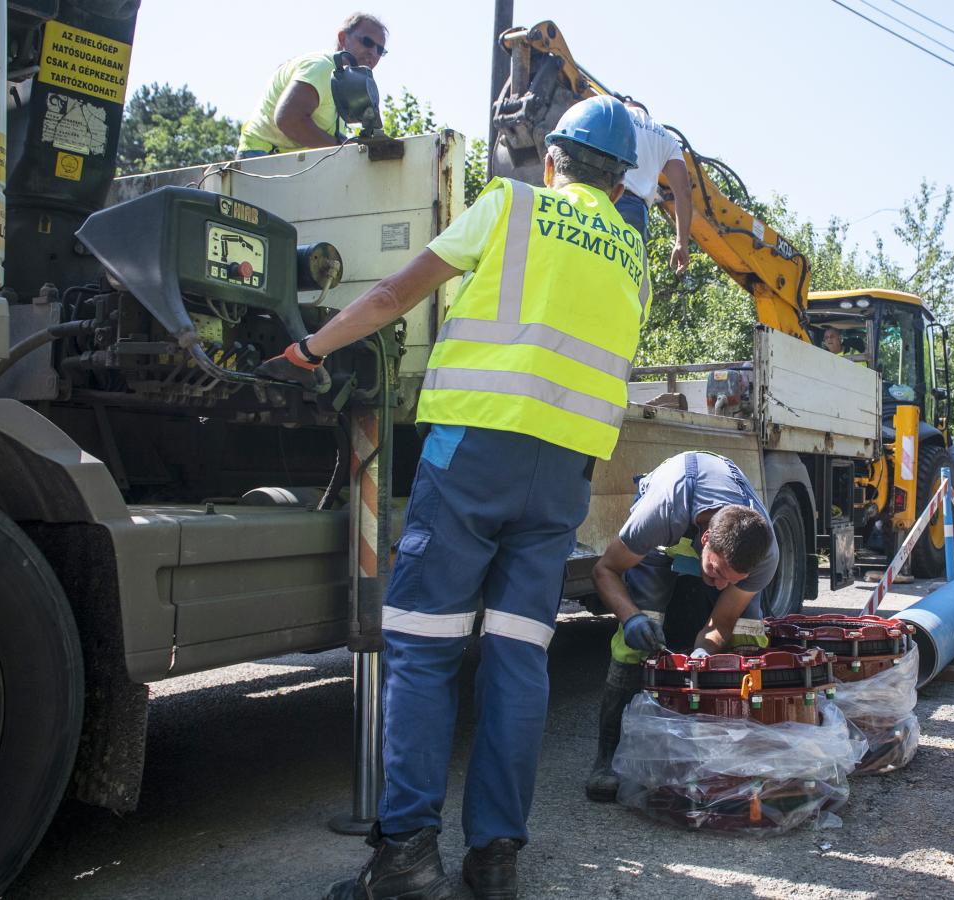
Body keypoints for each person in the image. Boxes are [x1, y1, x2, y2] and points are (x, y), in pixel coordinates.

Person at [258, 95, 646, 900]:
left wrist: (306, 348)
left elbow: (394, 296)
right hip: (561, 476)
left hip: (475, 451)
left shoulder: (512, 204)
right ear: (618, 184)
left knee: (426, 648)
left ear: (553, 161)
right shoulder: (632, 251)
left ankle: (405, 858)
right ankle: (496, 858)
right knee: (516, 657)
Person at [582, 451, 778, 802]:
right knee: (637, 638)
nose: (718, 586)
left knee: (747, 632)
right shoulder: (660, 513)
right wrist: (632, 618)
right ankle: (607, 759)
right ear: (705, 542)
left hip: (707, 528)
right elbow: (604, 571)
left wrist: (703, 653)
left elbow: (721, 622)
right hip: (667, 531)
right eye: (716, 573)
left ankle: (730, 753)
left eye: (731, 581)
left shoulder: (765, 556)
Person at [236, 13, 389, 158]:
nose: (373, 53)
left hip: (290, 163)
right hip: (262, 156)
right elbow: (289, 120)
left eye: (380, 50)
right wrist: (340, 146)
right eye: (367, 42)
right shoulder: (323, 68)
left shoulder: (347, 83)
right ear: (342, 38)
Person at [614, 99, 693, 273]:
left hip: (603, 195)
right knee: (623, 274)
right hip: (635, 213)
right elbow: (684, 192)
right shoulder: (666, 138)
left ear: (627, 106)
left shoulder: (615, 113)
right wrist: (681, 242)